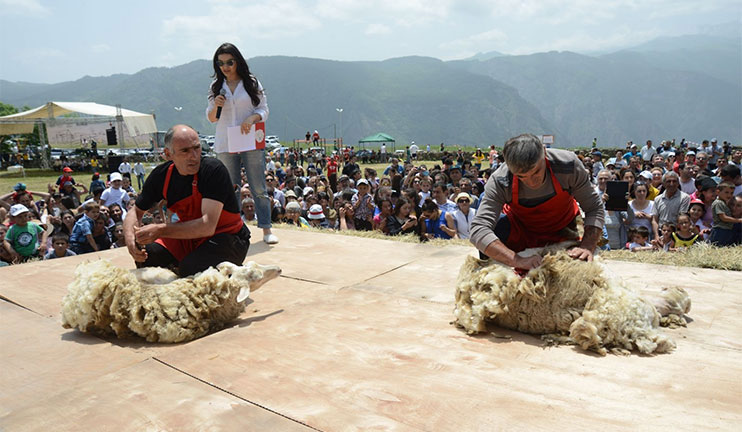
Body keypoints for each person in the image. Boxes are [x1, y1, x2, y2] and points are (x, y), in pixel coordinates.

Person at [123, 124, 251, 277]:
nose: (194, 156)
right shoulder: (161, 176)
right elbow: (135, 211)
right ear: (168, 153)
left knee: (191, 268)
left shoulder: (213, 170)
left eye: (197, 148)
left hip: (228, 237)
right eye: (185, 151)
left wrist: (161, 229)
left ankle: (230, 270)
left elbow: (207, 226)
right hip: (190, 238)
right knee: (148, 256)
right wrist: (130, 239)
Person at [470, 134, 604, 270]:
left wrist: (587, 245)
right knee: (498, 231)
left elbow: (594, 207)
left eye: (536, 172)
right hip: (521, 232)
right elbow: (478, 229)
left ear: (544, 153)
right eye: (521, 177)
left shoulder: (568, 166)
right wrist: (516, 260)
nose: (531, 182)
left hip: (564, 229)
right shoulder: (500, 180)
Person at [206, 42, 278, 245]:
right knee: (231, 189)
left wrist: (252, 118)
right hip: (226, 142)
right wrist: (217, 106)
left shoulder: (252, 82)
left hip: (250, 139)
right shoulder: (215, 87)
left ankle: (266, 229)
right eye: (220, 63)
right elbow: (211, 118)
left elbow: (264, 109)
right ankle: (234, 230)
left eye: (229, 62)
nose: (225, 67)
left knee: (258, 186)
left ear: (238, 61)